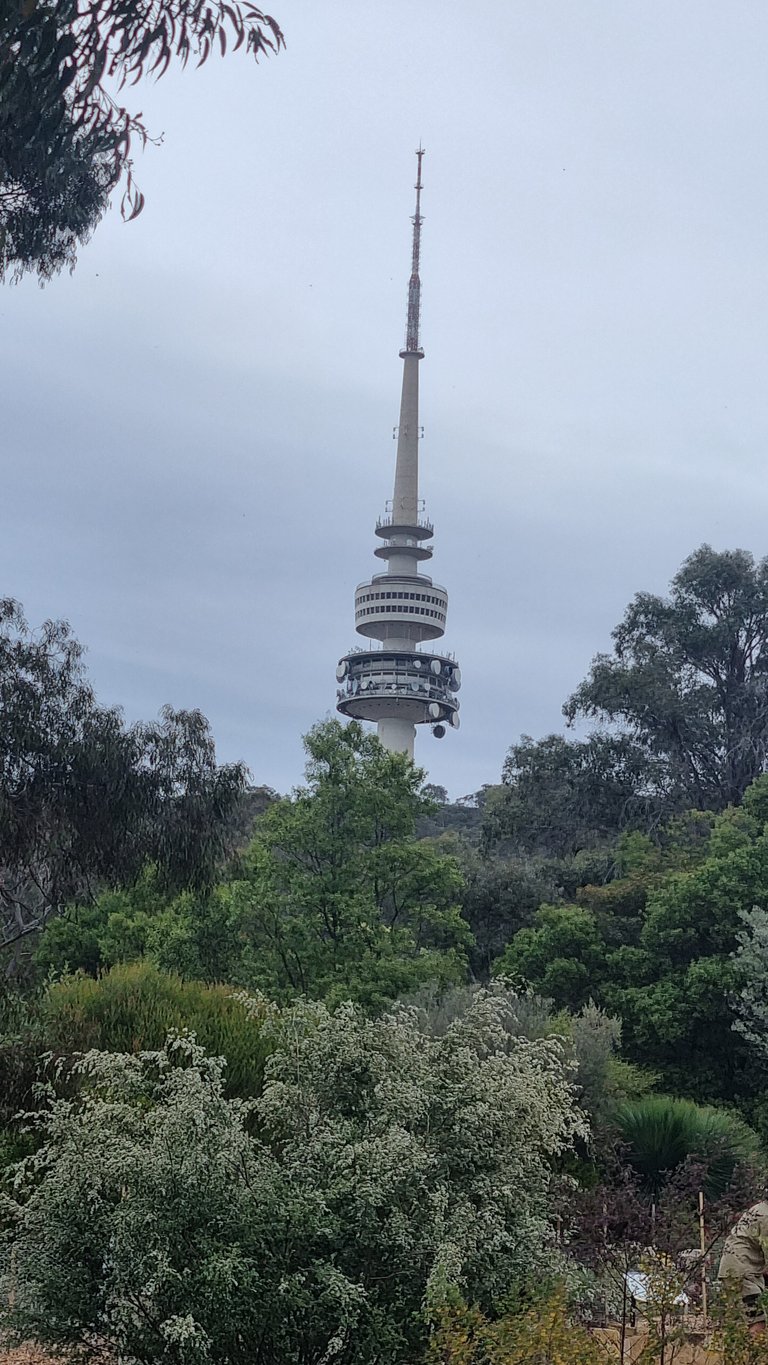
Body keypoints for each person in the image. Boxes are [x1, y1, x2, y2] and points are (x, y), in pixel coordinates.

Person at [718, 1201, 768, 1333]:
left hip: (740, 1269)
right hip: (742, 1271)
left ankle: (740, 1351)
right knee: (757, 1321)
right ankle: (756, 1353)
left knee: (742, 1322)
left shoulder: (759, 1209)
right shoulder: (766, 1217)